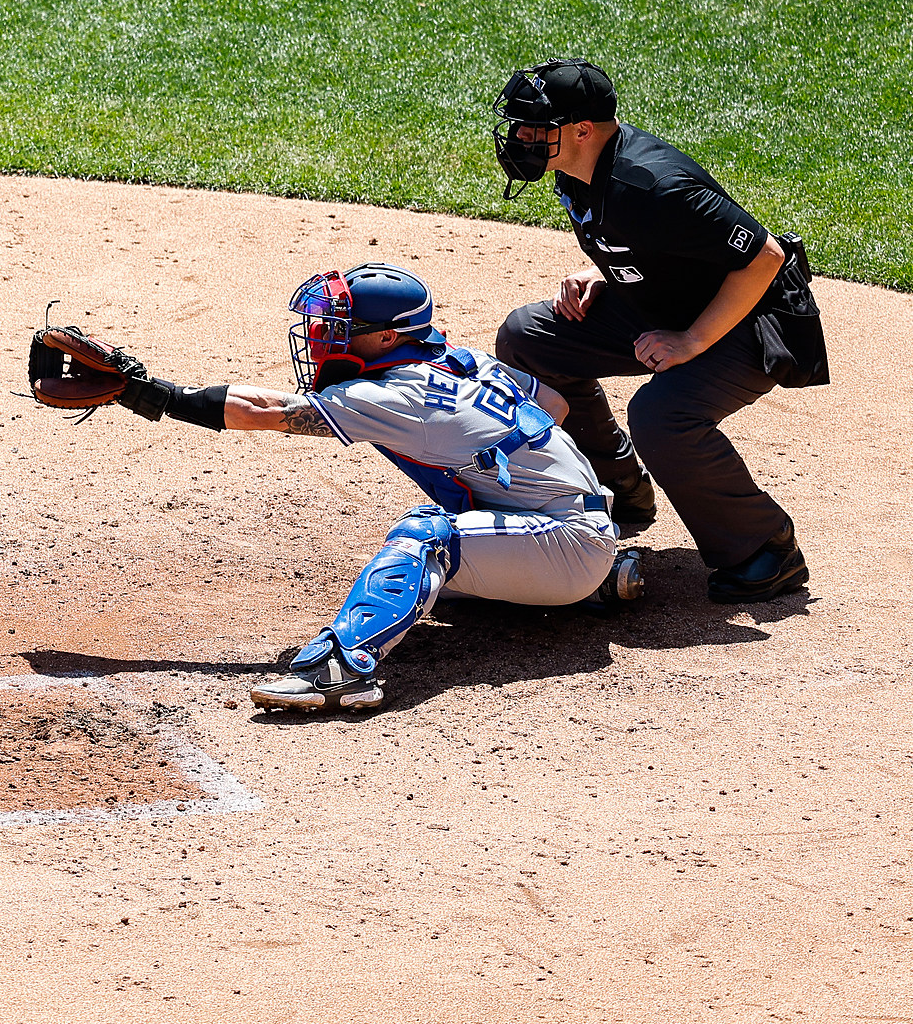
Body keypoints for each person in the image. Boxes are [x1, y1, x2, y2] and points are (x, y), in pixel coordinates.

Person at [78, 263, 623, 713]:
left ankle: (340, 671)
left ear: (386, 336)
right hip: (570, 527)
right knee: (419, 570)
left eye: (339, 326)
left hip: (566, 543)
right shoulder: (464, 361)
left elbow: (261, 411)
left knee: (424, 536)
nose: (320, 335)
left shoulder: (397, 393)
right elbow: (554, 406)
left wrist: (154, 395)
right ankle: (592, 577)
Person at [488, 59, 823, 604]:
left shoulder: (654, 186)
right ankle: (616, 490)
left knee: (662, 415)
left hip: (751, 320)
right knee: (529, 337)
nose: (521, 138)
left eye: (535, 128)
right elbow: (651, 245)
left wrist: (691, 341)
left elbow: (765, 256)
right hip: (661, 303)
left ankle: (765, 550)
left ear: (581, 131)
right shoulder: (577, 168)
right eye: (519, 124)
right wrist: (602, 271)